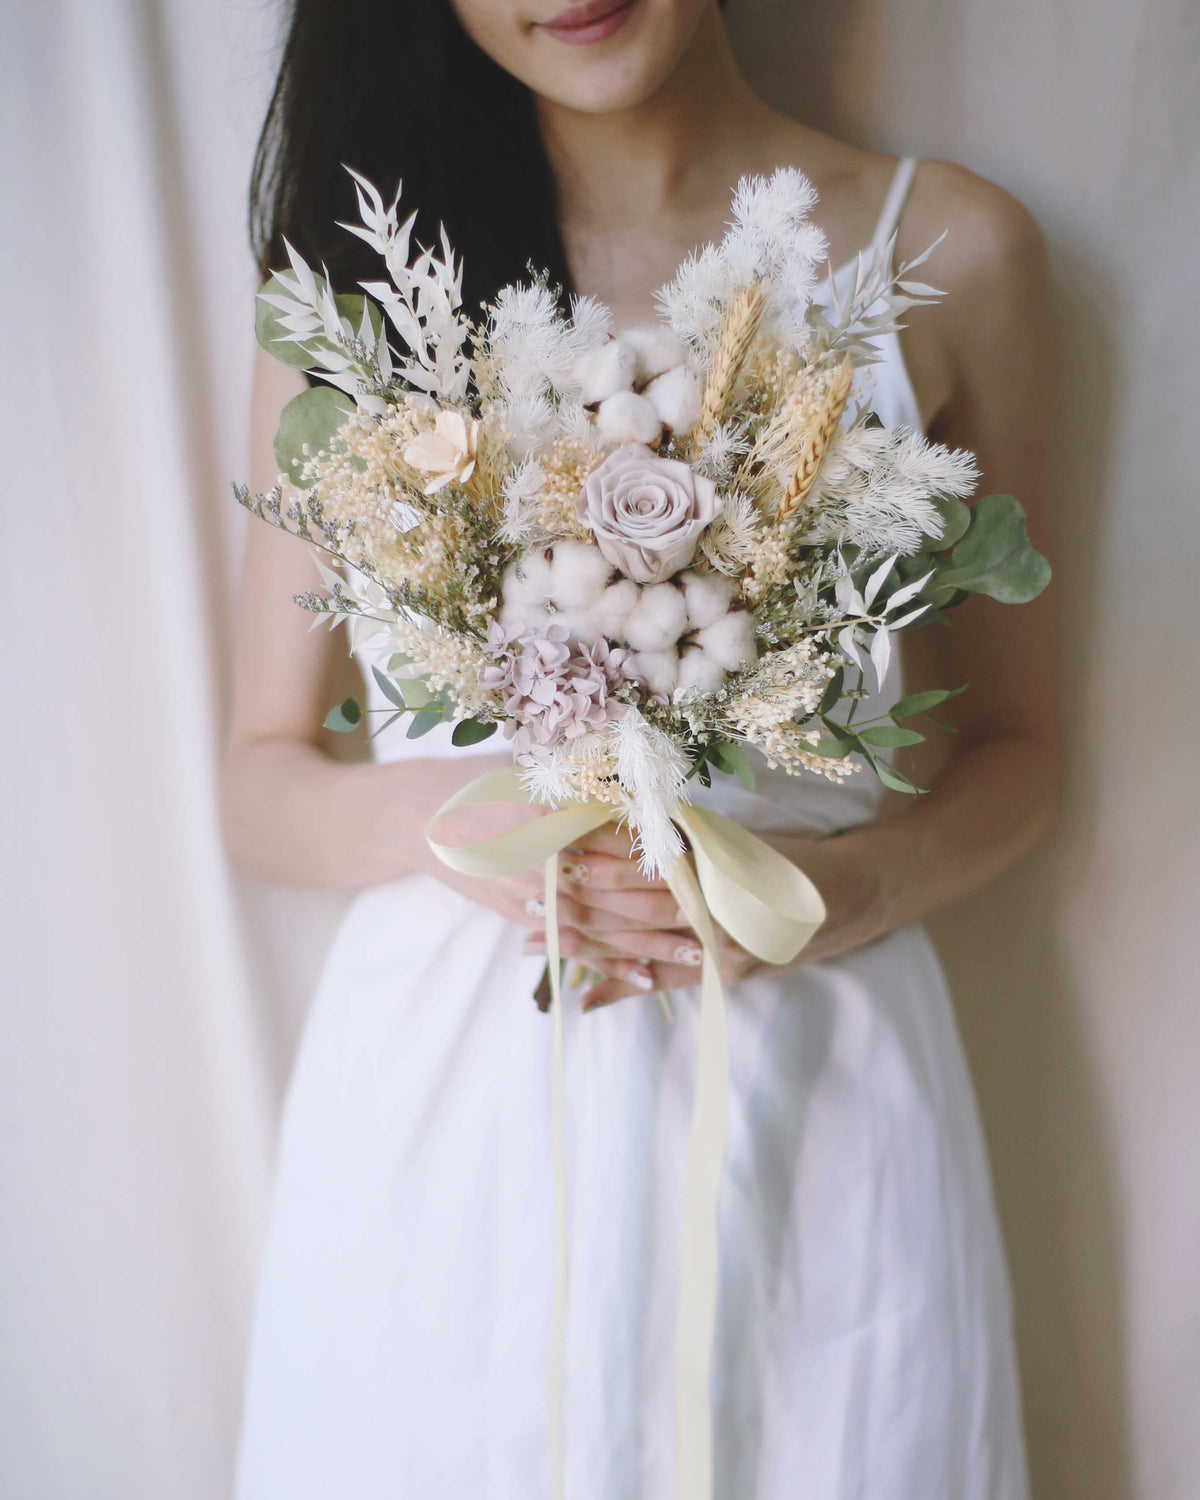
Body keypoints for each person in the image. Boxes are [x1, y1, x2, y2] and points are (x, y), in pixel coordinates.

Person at [224, 1, 1060, 1495]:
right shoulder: (356, 292)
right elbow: (260, 776)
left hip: (816, 1084)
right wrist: (458, 815)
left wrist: (855, 891)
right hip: (452, 1119)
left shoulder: (953, 251)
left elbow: (1025, 748)